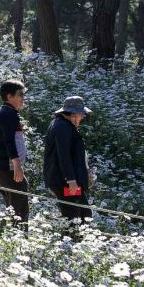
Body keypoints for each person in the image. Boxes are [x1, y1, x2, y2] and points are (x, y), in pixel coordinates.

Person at [43, 96, 93, 224]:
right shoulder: (62, 127)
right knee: (74, 218)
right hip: (65, 182)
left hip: (69, 181)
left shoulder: (63, 125)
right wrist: (71, 180)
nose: (82, 118)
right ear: (72, 114)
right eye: (81, 115)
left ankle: (79, 241)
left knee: (84, 215)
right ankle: (69, 242)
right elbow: (63, 155)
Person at [0, 79, 29, 227]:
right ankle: (18, 241)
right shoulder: (8, 113)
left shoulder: (4, 112)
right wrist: (16, 165)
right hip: (8, 169)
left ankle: (8, 238)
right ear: (9, 96)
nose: (23, 99)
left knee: (13, 208)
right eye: (20, 95)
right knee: (19, 210)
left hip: (1, 169)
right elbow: (9, 141)